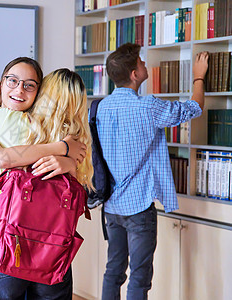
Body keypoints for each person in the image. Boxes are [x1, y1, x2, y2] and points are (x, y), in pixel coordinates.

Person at [0, 58, 87, 300]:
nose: (19, 89)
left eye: (29, 85)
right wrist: (61, 148)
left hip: (22, 244)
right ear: (1, 84)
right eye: (12, 81)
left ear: (39, 94)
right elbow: (0, 157)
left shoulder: (39, 134)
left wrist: (66, 161)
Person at [95, 43, 209, 300]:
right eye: (142, 62)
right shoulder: (148, 106)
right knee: (139, 275)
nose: (146, 65)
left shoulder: (100, 107)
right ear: (135, 74)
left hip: (111, 206)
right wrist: (199, 76)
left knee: (113, 271)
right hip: (139, 206)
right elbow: (194, 109)